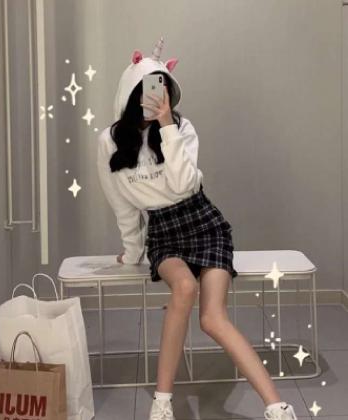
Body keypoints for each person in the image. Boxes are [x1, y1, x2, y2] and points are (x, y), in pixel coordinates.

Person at [97, 37, 298, 420]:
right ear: (130, 93)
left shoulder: (182, 128)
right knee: (184, 288)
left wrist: (166, 126)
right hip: (164, 231)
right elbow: (122, 203)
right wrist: (133, 251)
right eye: (146, 90)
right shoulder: (108, 142)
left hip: (203, 222)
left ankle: (277, 407)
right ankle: (162, 403)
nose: (155, 97)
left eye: (161, 89)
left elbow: (184, 185)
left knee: (212, 318)